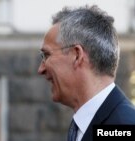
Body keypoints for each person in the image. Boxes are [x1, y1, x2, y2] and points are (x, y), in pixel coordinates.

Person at [38, 5, 135, 141]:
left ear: (77, 55)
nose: (40, 69)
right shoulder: (86, 124)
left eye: (46, 55)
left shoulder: (122, 127)